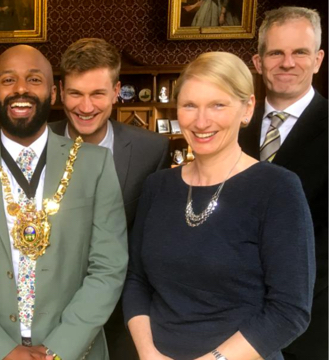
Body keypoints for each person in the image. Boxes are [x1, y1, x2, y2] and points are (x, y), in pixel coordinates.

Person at [0, 45, 128, 360]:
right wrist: (2, 351)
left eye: (34, 80)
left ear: (53, 93)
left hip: (76, 350)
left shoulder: (95, 164)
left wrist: (60, 348)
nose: (21, 88)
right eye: (8, 80)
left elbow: (109, 266)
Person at [123, 52, 315, 360]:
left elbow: (290, 311)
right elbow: (136, 280)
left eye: (218, 105)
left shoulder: (278, 188)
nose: (201, 121)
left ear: (247, 109)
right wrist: (149, 354)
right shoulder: (157, 186)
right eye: (189, 105)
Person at [50, 37, 170, 360]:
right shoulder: (34, 146)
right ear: (61, 92)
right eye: (75, 93)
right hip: (45, 315)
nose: (85, 107)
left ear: (116, 92)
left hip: (120, 321)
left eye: (97, 94)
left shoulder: (151, 150)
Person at [239, 7, 327, 360]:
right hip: (229, 320)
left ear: (318, 60)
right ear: (258, 62)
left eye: (300, 52)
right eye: (276, 52)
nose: (287, 63)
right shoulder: (230, 125)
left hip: (309, 327)